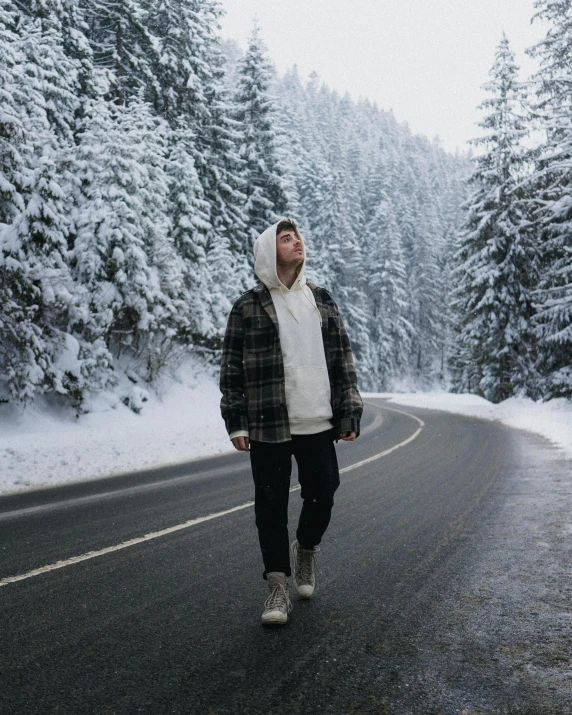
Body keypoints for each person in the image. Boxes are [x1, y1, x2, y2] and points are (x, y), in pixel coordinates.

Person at [220, 218, 363, 625]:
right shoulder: (248, 306)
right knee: (271, 506)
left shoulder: (320, 299)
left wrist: (348, 408)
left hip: (318, 420)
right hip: (269, 424)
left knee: (325, 491)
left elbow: (343, 360)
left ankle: (306, 548)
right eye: (286, 238)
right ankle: (277, 587)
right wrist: (236, 420)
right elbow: (231, 368)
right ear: (269, 251)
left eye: (297, 236)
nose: (296, 241)